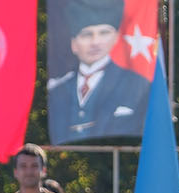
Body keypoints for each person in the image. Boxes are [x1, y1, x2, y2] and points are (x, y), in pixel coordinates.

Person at [47, 0, 148, 140]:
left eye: (104, 33)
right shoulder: (58, 89)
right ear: (74, 44)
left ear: (116, 37)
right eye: (87, 34)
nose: (95, 42)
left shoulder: (136, 84)